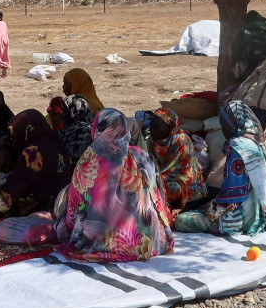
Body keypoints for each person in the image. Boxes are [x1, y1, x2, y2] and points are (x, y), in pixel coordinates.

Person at [53, 109, 175, 262]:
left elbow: (74, 211)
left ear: (96, 130)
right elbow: (158, 200)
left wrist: (63, 228)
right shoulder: (141, 155)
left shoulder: (89, 161)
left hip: (104, 241)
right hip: (149, 242)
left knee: (64, 210)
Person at [176, 101, 266, 236]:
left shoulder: (238, 149)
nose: (223, 130)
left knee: (181, 220)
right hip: (263, 214)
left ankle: (227, 226)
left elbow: (234, 197)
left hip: (239, 217)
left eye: (224, 125)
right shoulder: (258, 144)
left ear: (234, 125)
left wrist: (213, 208)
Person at [0, 110, 72, 217]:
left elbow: (12, 190)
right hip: (65, 202)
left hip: (44, 206)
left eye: (15, 131)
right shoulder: (57, 141)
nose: (14, 136)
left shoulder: (33, 152)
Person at [146, 109, 208, 213]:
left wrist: (158, 179)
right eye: (151, 124)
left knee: (172, 188)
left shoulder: (181, 140)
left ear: (170, 128)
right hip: (162, 178)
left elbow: (185, 174)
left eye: (157, 126)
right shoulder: (150, 142)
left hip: (185, 184)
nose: (151, 128)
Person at [47, 95, 94, 163]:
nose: (63, 115)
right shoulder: (95, 133)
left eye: (65, 111)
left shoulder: (64, 134)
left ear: (71, 112)